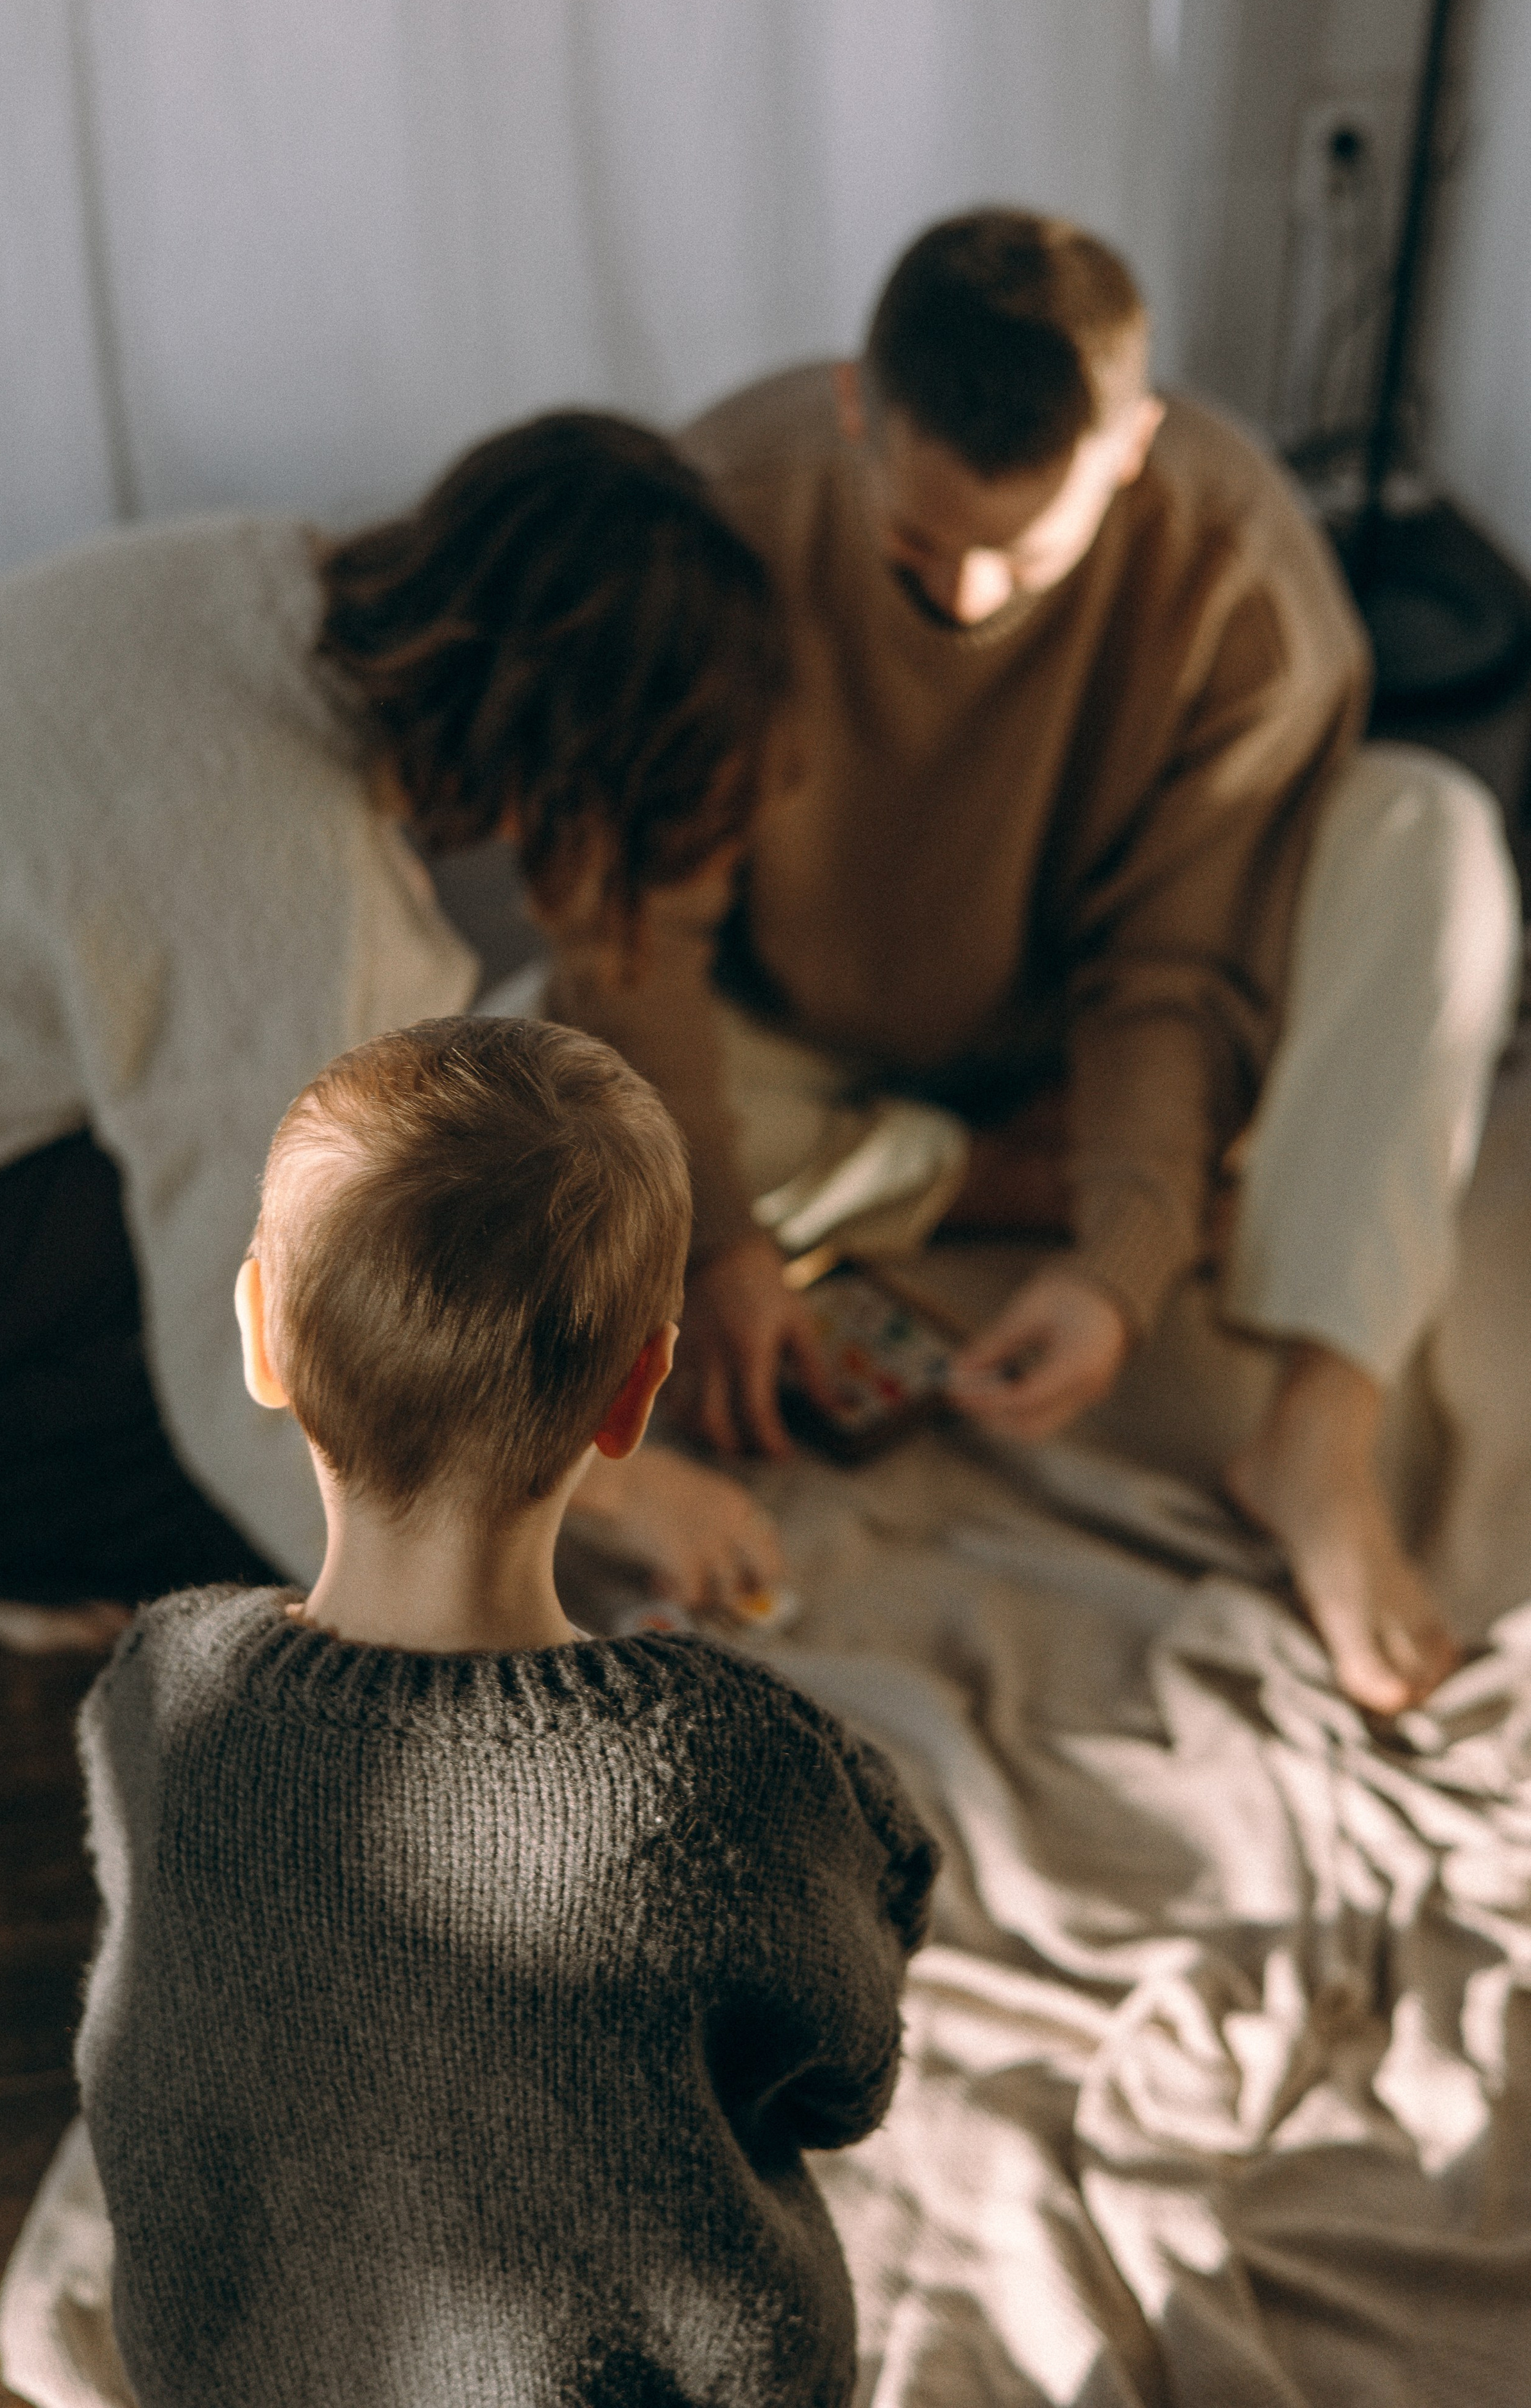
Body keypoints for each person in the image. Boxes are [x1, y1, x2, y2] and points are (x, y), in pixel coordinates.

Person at [547, 211, 1521, 1715]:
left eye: (1023, 558)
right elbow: (633, 933)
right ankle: (990, 1178)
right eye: (918, 548)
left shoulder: (1241, 568)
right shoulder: (719, 507)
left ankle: (1315, 1440)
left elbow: (1175, 965)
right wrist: (721, 1241)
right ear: (857, 409)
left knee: (1430, 834)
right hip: (787, 1029)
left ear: (1129, 447)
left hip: (1079, 1036)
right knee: (521, 1067)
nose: (965, 601)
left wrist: (1117, 1265)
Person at [71, 1015, 937, 2406]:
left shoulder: (157, 1686)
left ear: (259, 1335)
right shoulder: (720, 1768)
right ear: (636, 1393)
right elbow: (846, 2075)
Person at [0, 411, 789, 1630]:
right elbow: (261, 1404)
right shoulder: (281, 893)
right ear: (579, 774)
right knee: (292, 1382)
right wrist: (619, 1492)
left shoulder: (243, 567)